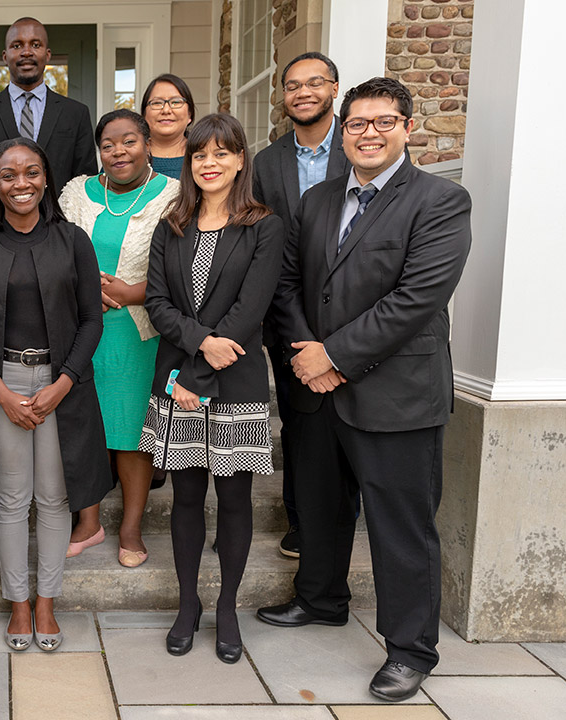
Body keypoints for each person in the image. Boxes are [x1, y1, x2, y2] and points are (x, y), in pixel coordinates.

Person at [258, 77, 472, 702]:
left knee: (401, 527)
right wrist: (306, 356)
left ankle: (410, 649)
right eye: (357, 123)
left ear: (409, 127)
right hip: (316, 388)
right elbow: (290, 282)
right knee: (320, 507)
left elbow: (415, 300)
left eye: (383, 121)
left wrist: (335, 356)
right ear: (342, 129)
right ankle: (321, 600)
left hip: (397, 394)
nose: (369, 133)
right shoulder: (319, 199)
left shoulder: (439, 201)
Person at [0, 138, 111, 651]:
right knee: (10, 499)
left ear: (45, 178)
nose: (21, 183)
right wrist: (1, 392)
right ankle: (18, 604)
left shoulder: (73, 242)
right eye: (8, 175)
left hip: (61, 383)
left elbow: (92, 321)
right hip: (2, 386)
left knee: (54, 498)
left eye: (31, 172)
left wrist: (61, 384)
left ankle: (47, 603)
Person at [140, 114, 283, 663]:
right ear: (189, 162)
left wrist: (197, 376)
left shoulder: (263, 227)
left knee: (236, 499)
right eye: (200, 154)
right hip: (177, 382)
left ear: (241, 159)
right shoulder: (170, 225)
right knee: (185, 497)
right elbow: (157, 304)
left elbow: (251, 310)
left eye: (222, 153)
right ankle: (187, 605)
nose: (210, 163)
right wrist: (200, 350)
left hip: (233, 382)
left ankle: (227, 608)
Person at [59, 109, 179, 567]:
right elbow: (58, 249)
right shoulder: (78, 193)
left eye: (128, 141)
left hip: (138, 332)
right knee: (84, 429)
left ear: (147, 143)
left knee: (130, 433)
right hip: (82, 329)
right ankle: (88, 522)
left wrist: (136, 292)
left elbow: (183, 265)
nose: (118, 151)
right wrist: (83, 286)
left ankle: (131, 526)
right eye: (108, 144)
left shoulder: (171, 195)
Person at [252, 52, 349, 559]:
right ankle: (300, 521)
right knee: (298, 420)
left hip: (352, 318)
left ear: (334, 88)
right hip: (288, 316)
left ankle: (344, 519)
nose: (303, 93)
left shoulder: (358, 150)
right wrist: (295, 328)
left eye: (315, 83)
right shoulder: (266, 163)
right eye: (293, 85)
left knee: (349, 423)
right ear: (283, 96)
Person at [0, 17, 97, 189]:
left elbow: (85, 181)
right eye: (17, 46)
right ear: (5, 56)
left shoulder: (76, 113)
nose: (26, 52)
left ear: (47, 55)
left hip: (59, 214)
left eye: (35, 45)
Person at [141, 73, 196, 180]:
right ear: (144, 114)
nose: (166, 110)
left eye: (176, 102)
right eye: (157, 103)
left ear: (190, 114)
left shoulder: (203, 153)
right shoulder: (129, 154)